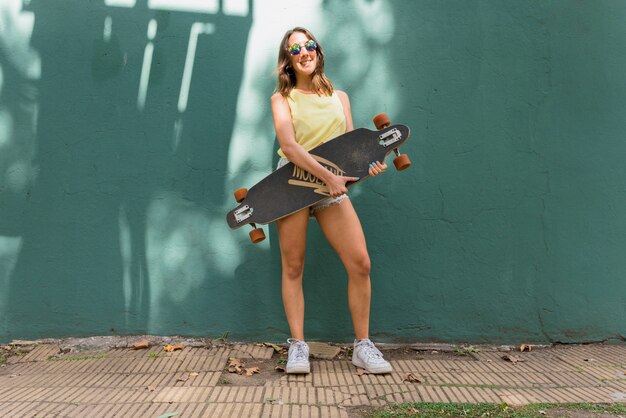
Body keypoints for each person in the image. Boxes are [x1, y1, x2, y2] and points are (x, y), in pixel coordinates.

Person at [270, 27, 392, 375]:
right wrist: (327, 176)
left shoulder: (340, 97)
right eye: (296, 49)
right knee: (293, 266)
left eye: (309, 45)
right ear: (289, 60)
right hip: (292, 180)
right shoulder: (282, 99)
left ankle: (363, 346)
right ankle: (297, 345)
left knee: (361, 263)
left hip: (331, 184)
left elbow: (352, 149)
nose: (304, 52)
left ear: (318, 51)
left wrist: (368, 166)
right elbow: (291, 146)